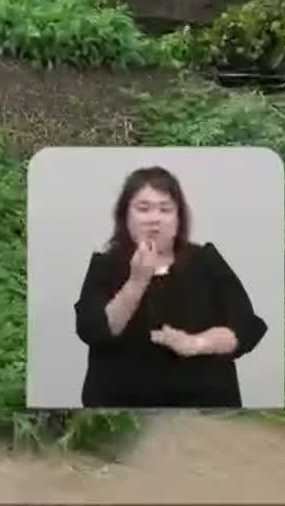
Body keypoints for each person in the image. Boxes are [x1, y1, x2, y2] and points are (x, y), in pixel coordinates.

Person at [73, 166, 267, 408]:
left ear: (178, 219)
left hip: (205, 407)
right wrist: (137, 281)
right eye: (143, 209)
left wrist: (195, 344)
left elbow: (246, 327)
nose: (155, 218)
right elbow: (92, 330)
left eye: (165, 209)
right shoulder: (105, 266)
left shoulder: (206, 261)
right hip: (122, 411)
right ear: (125, 216)